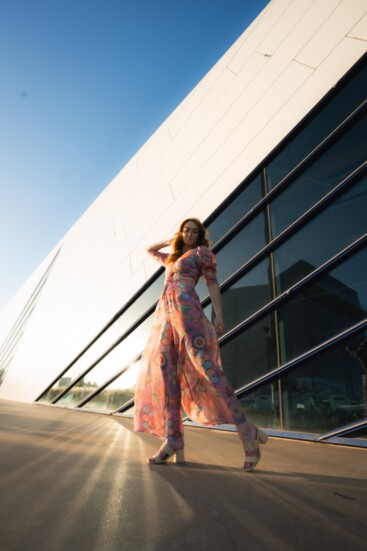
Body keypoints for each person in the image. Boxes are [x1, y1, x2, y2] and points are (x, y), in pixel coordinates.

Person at [134, 218, 268, 471]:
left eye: (195, 231)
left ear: (200, 236)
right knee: (166, 371)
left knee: (205, 366)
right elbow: (149, 250)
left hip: (186, 309)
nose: (190, 234)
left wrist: (219, 313)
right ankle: (173, 438)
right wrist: (171, 239)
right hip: (164, 315)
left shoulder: (201, 253)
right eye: (186, 230)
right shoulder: (171, 259)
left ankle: (245, 431)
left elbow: (212, 283)